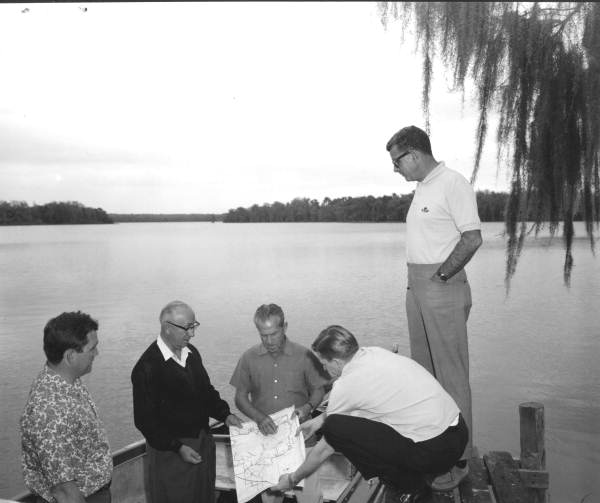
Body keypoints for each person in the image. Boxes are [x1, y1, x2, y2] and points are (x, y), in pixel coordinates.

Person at [386, 126, 482, 490]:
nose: (396, 169)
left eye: (397, 161)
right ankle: (433, 446)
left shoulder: (452, 183)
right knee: (425, 375)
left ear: (413, 154)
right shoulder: (423, 188)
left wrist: (441, 277)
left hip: (441, 286)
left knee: (452, 376)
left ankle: (460, 458)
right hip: (417, 285)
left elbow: (472, 238)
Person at [271, 325, 468, 503]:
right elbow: (360, 400)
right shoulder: (373, 353)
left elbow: (326, 448)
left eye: (324, 363)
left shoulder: (346, 384)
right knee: (353, 417)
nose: (324, 368)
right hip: (458, 433)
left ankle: (409, 487)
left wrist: (292, 479)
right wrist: (317, 421)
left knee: (335, 428)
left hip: (435, 452)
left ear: (338, 362)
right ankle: (414, 479)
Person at [131, 300, 243, 503]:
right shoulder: (147, 367)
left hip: (201, 444)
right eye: (187, 328)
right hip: (171, 454)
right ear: (166, 328)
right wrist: (177, 447)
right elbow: (145, 421)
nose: (192, 334)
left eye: (194, 326)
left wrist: (225, 415)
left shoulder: (191, 353)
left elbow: (206, 393)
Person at [230, 303, 328, 503]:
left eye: (274, 334)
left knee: (310, 499)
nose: (269, 340)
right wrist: (259, 418)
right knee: (270, 500)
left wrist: (308, 407)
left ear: (285, 327)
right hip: (266, 443)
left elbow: (319, 389)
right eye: (263, 335)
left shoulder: (305, 355)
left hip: (302, 439)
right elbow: (240, 398)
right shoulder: (248, 358)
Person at [20, 311, 113, 503]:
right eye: (92, 349)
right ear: (70, 356)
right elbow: (64, 491)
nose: (97, 353)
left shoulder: (68, 381)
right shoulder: (48, 410)